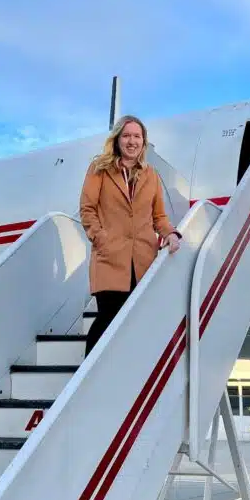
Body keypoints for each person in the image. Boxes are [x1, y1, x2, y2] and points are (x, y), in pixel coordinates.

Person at [79, 114, 181, 355]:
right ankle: (88, 380)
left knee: (136, 324)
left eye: (137, 136)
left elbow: (159, 217)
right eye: (126, 136)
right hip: (110, 258)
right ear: (117, 140)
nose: (131, 141)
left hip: (143, 260)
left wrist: (171, 234)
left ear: (143, 142)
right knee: (107, 320)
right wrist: (100, 238)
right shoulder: (99, 169)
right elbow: (87, 209)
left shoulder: (151, 175)